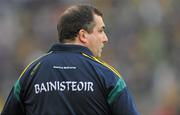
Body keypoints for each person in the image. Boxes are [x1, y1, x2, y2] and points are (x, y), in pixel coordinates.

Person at [1, 5, 140, 115]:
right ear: (83, 35)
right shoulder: (107, 76)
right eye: (100, 31)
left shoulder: (31, 72)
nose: (105, 38)